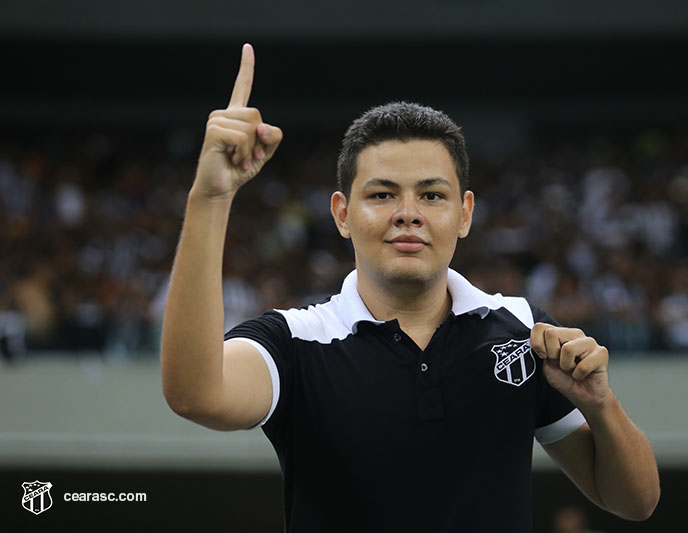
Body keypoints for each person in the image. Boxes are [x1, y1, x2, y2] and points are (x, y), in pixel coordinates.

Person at [160, 43, 660, 532]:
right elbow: (195, 395)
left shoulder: (523, 331)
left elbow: (635, 502)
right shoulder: (295, 343)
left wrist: (601, 405)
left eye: (432, 195)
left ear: (464, 213)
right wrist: (210, 197)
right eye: (382, 194)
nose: (408, 213)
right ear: (342, 214)